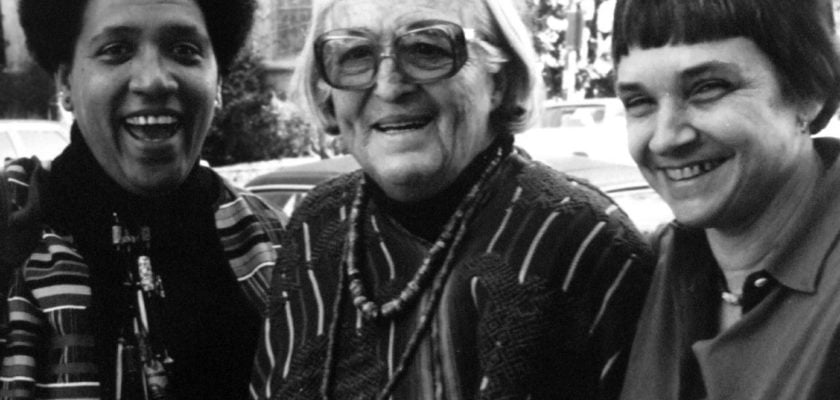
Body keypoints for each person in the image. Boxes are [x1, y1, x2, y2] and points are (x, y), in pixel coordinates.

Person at [249, 0, 653, 399]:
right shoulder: (315, 225)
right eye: (355, 54)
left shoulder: (584, 240)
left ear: (500, 79)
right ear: (327, 92)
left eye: (427, 48)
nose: (389, 86)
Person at [0, 0, 284, 399]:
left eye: (184, 49)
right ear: (64, 82)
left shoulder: (278, 246)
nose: (153, 81)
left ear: (218, 81)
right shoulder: (12, 227)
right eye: (116, 50)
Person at [612, 0, 840, 398]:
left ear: (810, 92)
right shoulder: (655, 262)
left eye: (707, 88)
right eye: (640, 102)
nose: (666, 138)